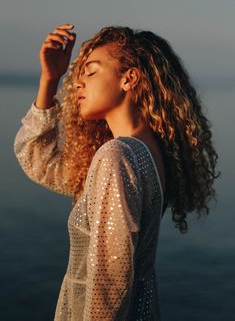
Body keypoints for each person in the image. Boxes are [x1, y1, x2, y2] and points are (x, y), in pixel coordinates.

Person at [13, 23, 220, 320]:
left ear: (129, 78)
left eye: (92, 71)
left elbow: (108, 285)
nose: (78, 82)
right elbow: (41, 161)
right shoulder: (147, 153)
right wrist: (50, 79)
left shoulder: (117, 156)